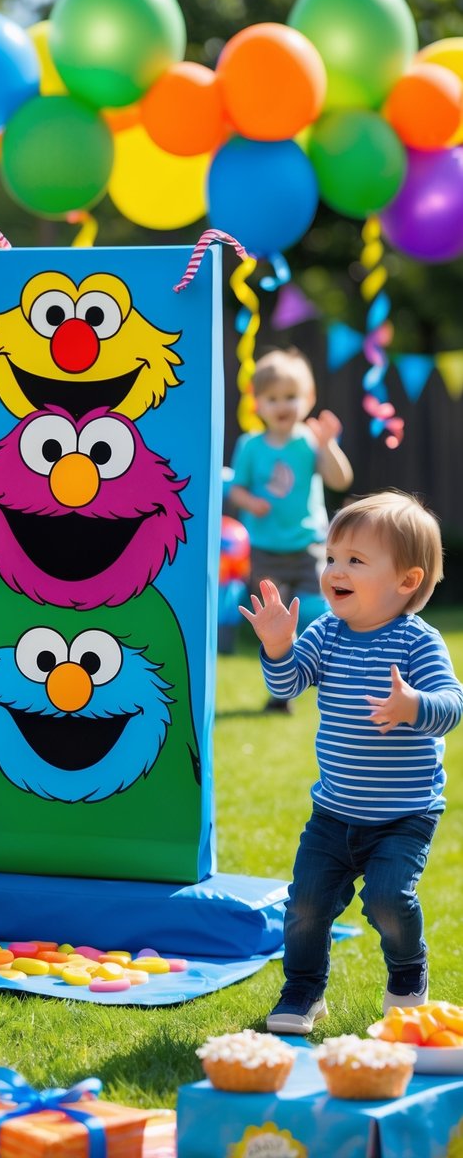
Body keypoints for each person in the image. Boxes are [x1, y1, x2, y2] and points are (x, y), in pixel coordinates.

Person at [239, 490, 463, 1034]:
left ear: (406, 582)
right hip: (335, 811)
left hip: (404, 814)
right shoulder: (326, 633)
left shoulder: (418, 643)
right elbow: (289, 683)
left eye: (355, 561)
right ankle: (303, 992)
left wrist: (413, 705)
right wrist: (276, 648)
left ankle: (408, 976)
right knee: (306, 907)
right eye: (332, 558)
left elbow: (452, 707)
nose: (335, 571)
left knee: (389, 899)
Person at [228, 348, 354, 712]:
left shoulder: (310, 442)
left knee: (321, 610)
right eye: (272, 398)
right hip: (266, 548)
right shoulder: (250, 445)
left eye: (291, 397)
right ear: (257, 404)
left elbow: (340, 478)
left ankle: (329, 674)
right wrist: (250, 503)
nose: (282, 405)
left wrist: (328, 445)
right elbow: (235, 487)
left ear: (309, 399)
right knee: (275, 623)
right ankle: (281, 691)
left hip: (307, 546)